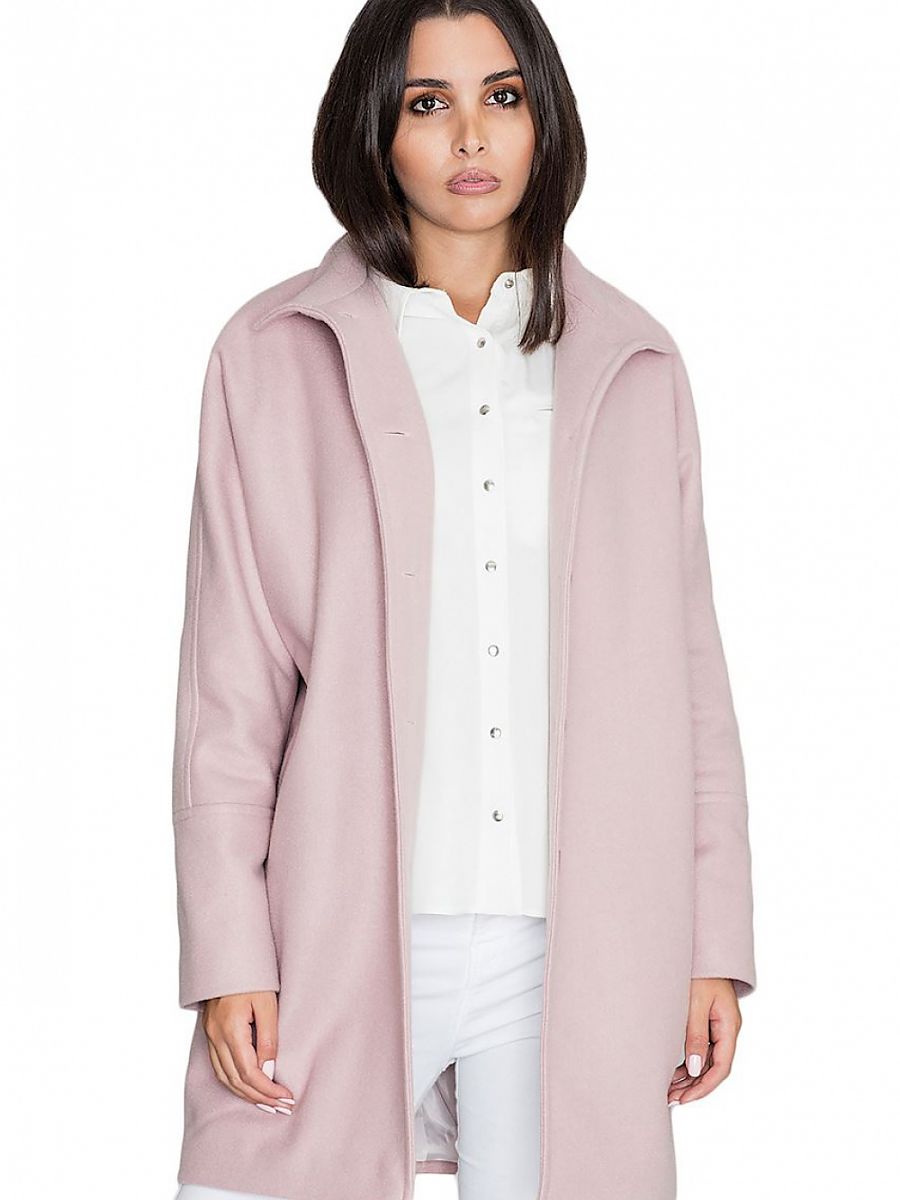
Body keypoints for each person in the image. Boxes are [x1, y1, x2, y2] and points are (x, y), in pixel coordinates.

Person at [171, 3, 756, 1199]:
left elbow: (689, 674)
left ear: (545, 117)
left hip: (579, 943)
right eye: (427, 104)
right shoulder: (273, 354)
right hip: (341, 928)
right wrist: (229, 946)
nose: (471, 136)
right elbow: (230, 685)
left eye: (503, 96)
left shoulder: (636, 365)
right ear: (375, 131)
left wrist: (713, 938)